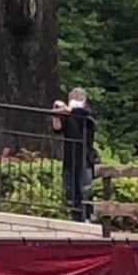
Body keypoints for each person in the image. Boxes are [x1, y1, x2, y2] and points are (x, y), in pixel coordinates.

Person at [52, 88, 96, 221]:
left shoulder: (87, 114)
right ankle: (76, 216)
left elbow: (85, 113)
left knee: (85, 190)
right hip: (70, 156)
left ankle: (88, 216)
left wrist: (67, 108)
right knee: (71, 190)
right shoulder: (67, 115)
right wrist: (55, 114)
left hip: (85, 157)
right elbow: (57, 129)